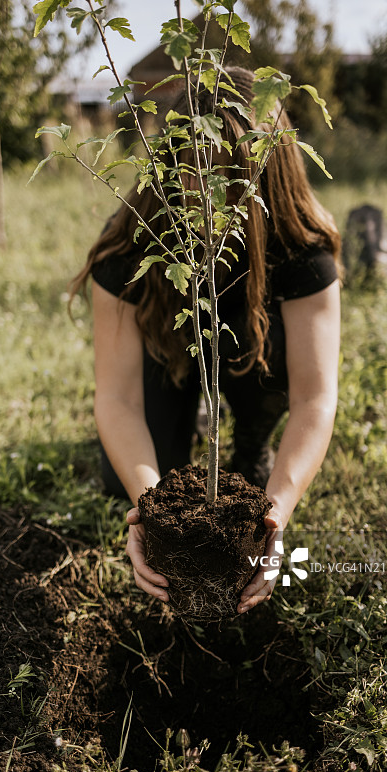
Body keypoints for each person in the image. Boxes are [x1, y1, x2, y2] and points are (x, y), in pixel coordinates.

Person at [69, 67, 341, 615]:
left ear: (266, 170)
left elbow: (315, 397)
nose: (205, 196)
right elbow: (116, 398)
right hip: (166, 350)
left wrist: (278, 512)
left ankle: (251, 437)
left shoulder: (298, 246)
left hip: (253, 352)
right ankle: (184, 416)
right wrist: (149, 506)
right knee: (129, 470)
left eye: (226, 175)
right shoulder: (130, 242)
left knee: (257, 467)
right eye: (190, 169)